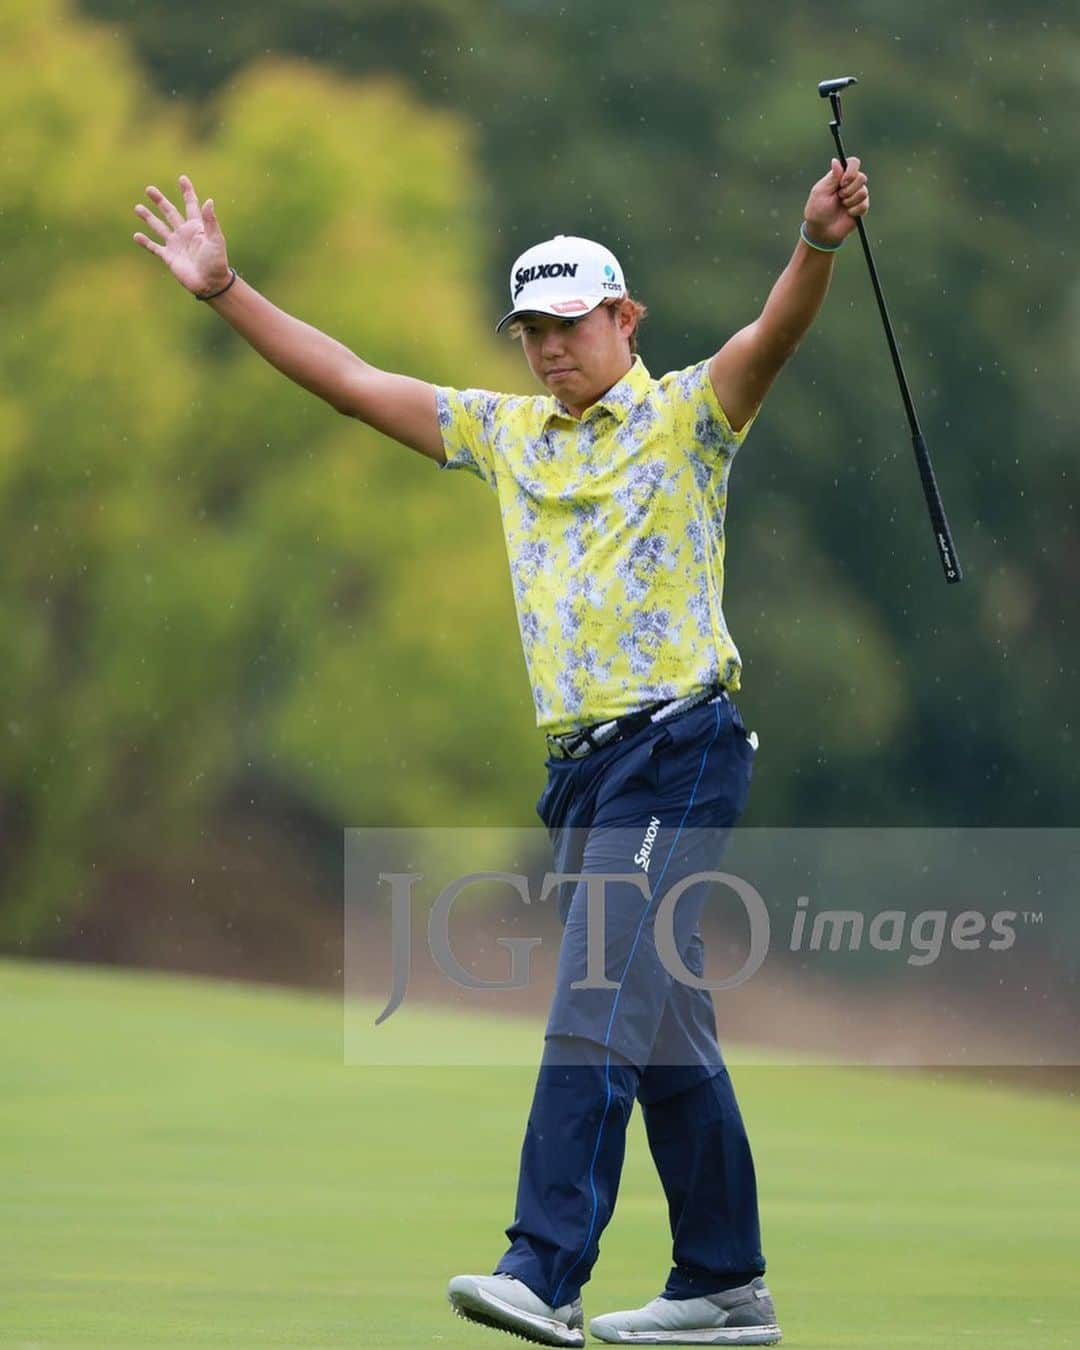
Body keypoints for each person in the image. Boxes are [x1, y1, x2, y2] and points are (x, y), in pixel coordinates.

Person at [133, 154, 869, 1347]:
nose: (547, 349)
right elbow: (353, 382)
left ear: (624, 318)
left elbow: (771, 336)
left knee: (597, 991)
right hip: (581, 777)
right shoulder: (509, 434)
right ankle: (725, 1285)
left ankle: (544, 1269)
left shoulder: (689, 416)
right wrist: (226, 291)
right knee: (662, 1018)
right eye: (529, 329)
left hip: (680, 746)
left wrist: (817, 243)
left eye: (570, 325)